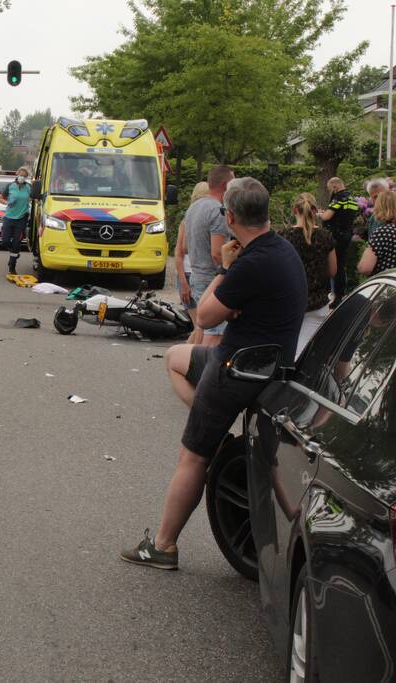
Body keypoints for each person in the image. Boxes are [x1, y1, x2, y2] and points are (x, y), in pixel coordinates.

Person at [123, 177, 307, 570]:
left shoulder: (249, 263)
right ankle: (211, 420)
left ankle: (163, 546)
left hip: (237, 368)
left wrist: (226, 268)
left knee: (192, 457)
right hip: (270, 365)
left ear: (231, 216)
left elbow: (205, 316)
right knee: (174, 356)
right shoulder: (283, 251)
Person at [183, 165, 235, 346]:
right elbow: (217, 253)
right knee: (215, 335)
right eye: (233, 183)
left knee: (200, 328)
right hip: (211, 279)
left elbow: (185, 246)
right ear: (224, 185)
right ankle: (203, 371)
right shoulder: (217, 211)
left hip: (196, 275)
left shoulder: (194, 207)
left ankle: (188, 366)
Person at [283, 193, 336, 358]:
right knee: (309, 355)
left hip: (290, 303)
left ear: (294, 210)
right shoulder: (325, 236)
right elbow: (333, 271)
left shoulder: (285, 237)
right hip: (318, 303)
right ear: (315, 211)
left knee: (287, 352)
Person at [174, 181, 209, 344]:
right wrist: (183, 283)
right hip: (191, 276)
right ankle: (186, 359)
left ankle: (186, 358)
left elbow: (179, 253)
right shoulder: (190, 221)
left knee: (200, 327)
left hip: (189, 276)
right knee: (200, 328)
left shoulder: (187, 219)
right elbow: (180, 252)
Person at [317, 177, 359, 305]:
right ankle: (340, 293)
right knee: (341, 264)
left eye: (331, 189)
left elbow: (327, 216)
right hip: (347, 234)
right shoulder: (352, 198)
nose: (331, 192)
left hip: (336, 235)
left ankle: (335, 295)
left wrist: (319, 214)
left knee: (334, 266)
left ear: (335, 186)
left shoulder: (339, 197)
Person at [0, 166, 32, 275]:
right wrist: (7, 202)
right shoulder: (10, 186)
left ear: (26, 177)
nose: (22, 177)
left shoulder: (28, 187)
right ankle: (15, 253)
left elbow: (33, 198)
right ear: (17, 175)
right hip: (9, 217)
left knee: (17, 242)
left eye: (24, 176)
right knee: (5, 241)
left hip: (21, 218)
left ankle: (12, 266)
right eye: (20, 175)